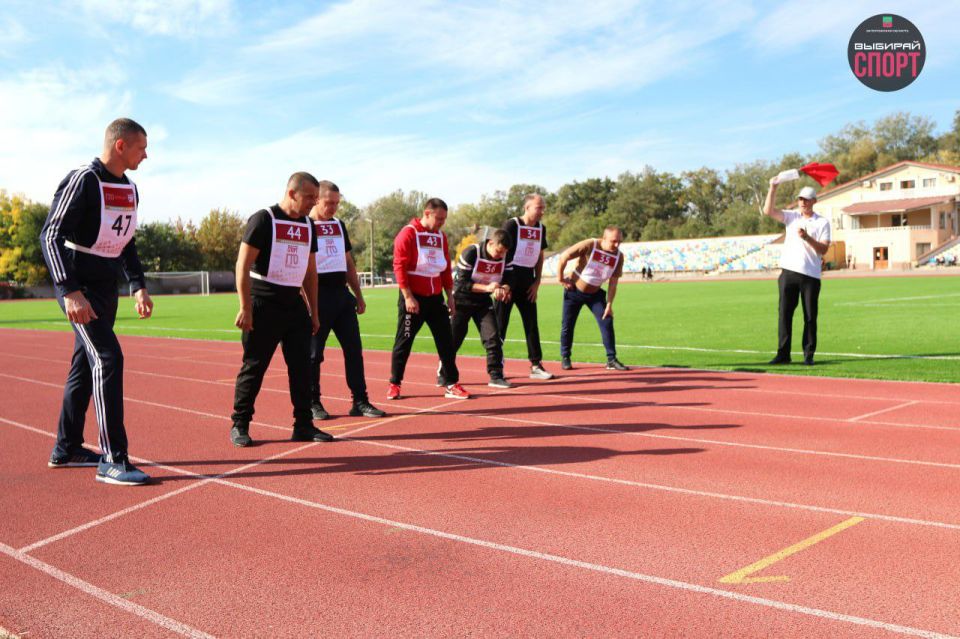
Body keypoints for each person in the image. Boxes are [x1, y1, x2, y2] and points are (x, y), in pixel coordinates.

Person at [39, 117, 153, 485]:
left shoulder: (130, 188)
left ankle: (67, 447)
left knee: (84, 366)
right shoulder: (84, 180)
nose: (146, 155)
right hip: (79, 285)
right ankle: (112, 459)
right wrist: (69, 290)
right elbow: (50, 234)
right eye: (141, 148)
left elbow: (127, 241)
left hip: (107, 287)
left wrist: (137, 285)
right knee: (108, 357)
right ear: (120, 146)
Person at [229, 172, 335, 447]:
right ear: (291, 193)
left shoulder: (308, 226)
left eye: (315, 198)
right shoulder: (264, 219)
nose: (314, 203)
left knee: (302, 368)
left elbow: (311, 272)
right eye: (310, 197)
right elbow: (242, 265)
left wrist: (313, 311)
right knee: (254, 367)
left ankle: (303, 425)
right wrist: (246, 306)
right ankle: (240, 424)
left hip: (294, 305)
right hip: (263, 304)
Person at [307, 181, 385, 420]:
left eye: (337, 203)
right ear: (316, 199)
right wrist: (309, 304)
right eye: (329, 203)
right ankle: (313, 402)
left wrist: (359, 296)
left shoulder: (339, 226)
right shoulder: (304, 225)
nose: (334, 208)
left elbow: (349, 263)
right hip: (316, 295)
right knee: (313, 354)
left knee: (354, 350)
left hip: (342, 296)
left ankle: (360, 401)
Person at [388, 198, 469, 400]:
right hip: (413, 300)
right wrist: (408, 297)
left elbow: (445, 270)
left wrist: (449, 296)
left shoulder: (441, 237)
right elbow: (399, 266)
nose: (441, 222)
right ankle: (395, 383)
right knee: (404, 342)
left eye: (444, 219)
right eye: (439, 218)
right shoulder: (408, 234)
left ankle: (451, 383)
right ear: (426, 213)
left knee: (446, 342)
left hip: (435, 299)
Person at [763, 181, 831, 366]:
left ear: (814, 201)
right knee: (784, 314)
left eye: (807, 200)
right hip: (789, 273)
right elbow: (768, 211)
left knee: (810, 316)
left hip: (810, 275)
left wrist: (807, 237)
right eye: (800, 199)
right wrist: (773, 187)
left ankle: (808, 354)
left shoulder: (822, 222)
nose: (803, 202)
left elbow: (823, 249)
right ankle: (783, 354)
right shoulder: (791, 217)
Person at [438, 229, 512, 389]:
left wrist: (504, 288)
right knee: (454, 339)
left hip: (483, 302)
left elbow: (508, 280)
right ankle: (444, 373)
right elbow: (461, 284)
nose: (500, 256)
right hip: (461, 300)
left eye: (504, 253)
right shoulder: (471, 253)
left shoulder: (505, 257)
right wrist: (488, 288)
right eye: (499, 251)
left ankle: (496, 375)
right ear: (491, 243)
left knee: (493, 336)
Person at [495, 193, 554, 380]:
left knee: (531, 324)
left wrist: (537, 282)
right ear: (527, 208)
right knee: (500, 325)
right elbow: (499, 251)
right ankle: (496, 367)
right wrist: (503, 284)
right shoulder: (511, 225)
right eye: (539, 207)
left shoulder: (541, 228)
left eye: (543, 208)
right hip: (508, 280)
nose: (542, 211)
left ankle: (536, 365)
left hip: (528, 280)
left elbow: (539, 255)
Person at [555, 226, 629, 371]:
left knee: (607, 320)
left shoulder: (618, 256)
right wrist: (560, 279)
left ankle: (611, 359)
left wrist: (609, 304)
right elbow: (564, 257)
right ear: (604, 238)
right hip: (574, 291)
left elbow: (613, 283)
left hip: (595, 295)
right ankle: (565, 357)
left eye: (619, 241)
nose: (616, 245)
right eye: (613, 241)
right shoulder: (591, 245)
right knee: (567, 325)